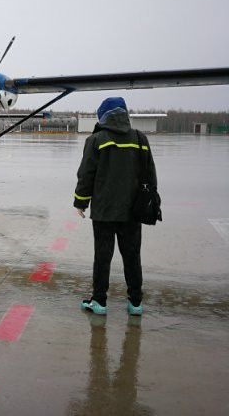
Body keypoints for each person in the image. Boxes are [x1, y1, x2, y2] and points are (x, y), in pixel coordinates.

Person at [73, 97, 156, 316]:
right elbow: (150, 175)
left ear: (103, 116)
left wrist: (80, 202)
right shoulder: (140, 138)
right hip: (132, 211)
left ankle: (99, 302)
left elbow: (86, 175)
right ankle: (136, 303)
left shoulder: (96, 140)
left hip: (104, 211)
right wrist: (149, 203)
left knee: (103, 256)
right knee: (132, 256)